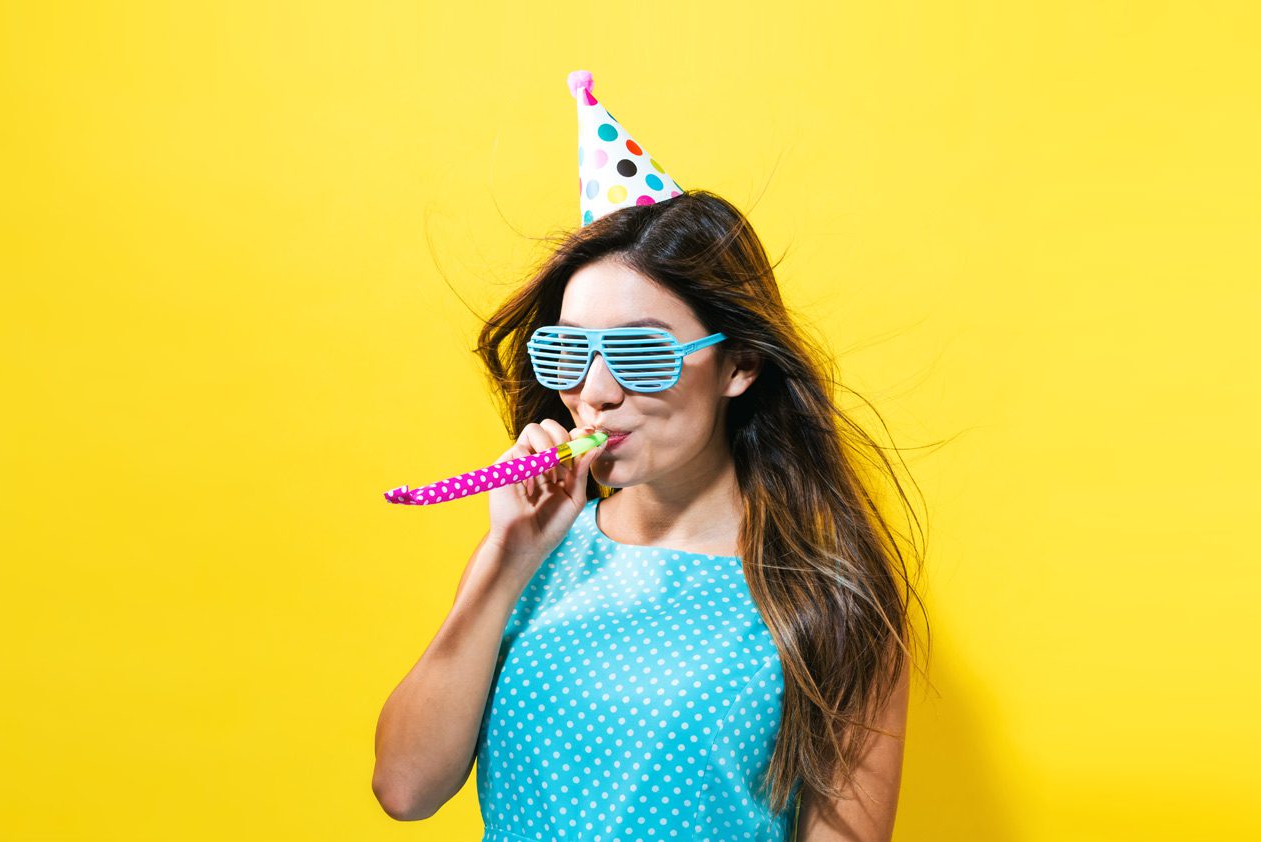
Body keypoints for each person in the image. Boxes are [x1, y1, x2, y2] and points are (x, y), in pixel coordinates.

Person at [375, 72, 927, 840]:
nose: (593, 392)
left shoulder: (831, 604)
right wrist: (504, 561)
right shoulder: (526, 557)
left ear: (738, 364)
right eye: (569, 352)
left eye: (639, 352)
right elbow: (404, 788)